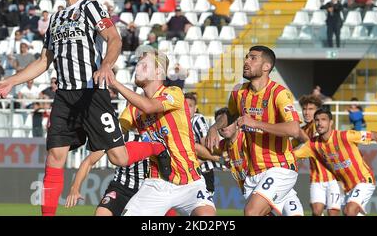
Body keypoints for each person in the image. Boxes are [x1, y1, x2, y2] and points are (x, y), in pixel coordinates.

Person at [0, 0, 170, 216]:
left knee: (117, 157)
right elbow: (44, 61)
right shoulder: (55, 18)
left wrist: (107, 65)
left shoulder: (91, 7)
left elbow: (114, 38)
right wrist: (12, 81)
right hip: (64, 95)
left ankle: (157, 146)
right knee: (54, 157)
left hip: (91, 92)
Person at [109, 47, 216, 216]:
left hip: (191, 182)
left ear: (158, 72)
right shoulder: (132, 109)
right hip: (156, 183)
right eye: (137, 64)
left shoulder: (174, 93)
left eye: (144, 65)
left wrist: (115, 83)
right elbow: (114, 132)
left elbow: (149, 106)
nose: (137, 68)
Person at [206, 45, 305, 216]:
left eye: (253, 58)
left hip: (279, 167)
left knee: (251, 212)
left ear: (266, 67)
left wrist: (255, 123)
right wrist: (214, 128)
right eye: (246, 57)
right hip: (253, 172)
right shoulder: (239, 91)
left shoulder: (279, 93)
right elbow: (230, 115)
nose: (246, 61)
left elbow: (294, 129)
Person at [294, 108, 377, 216]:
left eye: (323, 120)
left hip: (363, 180)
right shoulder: (312, 145)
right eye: (317, 120)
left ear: (331, 122)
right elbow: (292, 155)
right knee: (349, 212)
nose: (319, 123)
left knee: (350, 210)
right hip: (346, 187)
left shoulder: (345, 136)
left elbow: (375, 135)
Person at [214, 108, 304, 216]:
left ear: (236, 122)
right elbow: (201, 152)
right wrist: (218, 159)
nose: (223, 127)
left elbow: (293, 135)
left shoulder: (248, 138)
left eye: (227, 123)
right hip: (254, 192)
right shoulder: (222, 147)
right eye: (219, 125)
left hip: (275, 189)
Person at [294, 95, 341, 216]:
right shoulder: (304, 129)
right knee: (316, 211)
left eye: (310, 109)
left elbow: (310, 143)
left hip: (335, 176)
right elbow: (291, 147)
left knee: (336, 212)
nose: (306, 112)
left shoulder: (320, 127)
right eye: (304, 109)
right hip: (317, 176)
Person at [185, 92, 222, 196]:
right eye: (184, 106)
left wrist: (197, 162)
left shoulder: (197, 119)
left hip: (203, 171)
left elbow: (207, 145)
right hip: (190, 172)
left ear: (195, 108)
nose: (187, 109)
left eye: (190, 106)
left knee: (204, 206)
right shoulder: (180, 122)